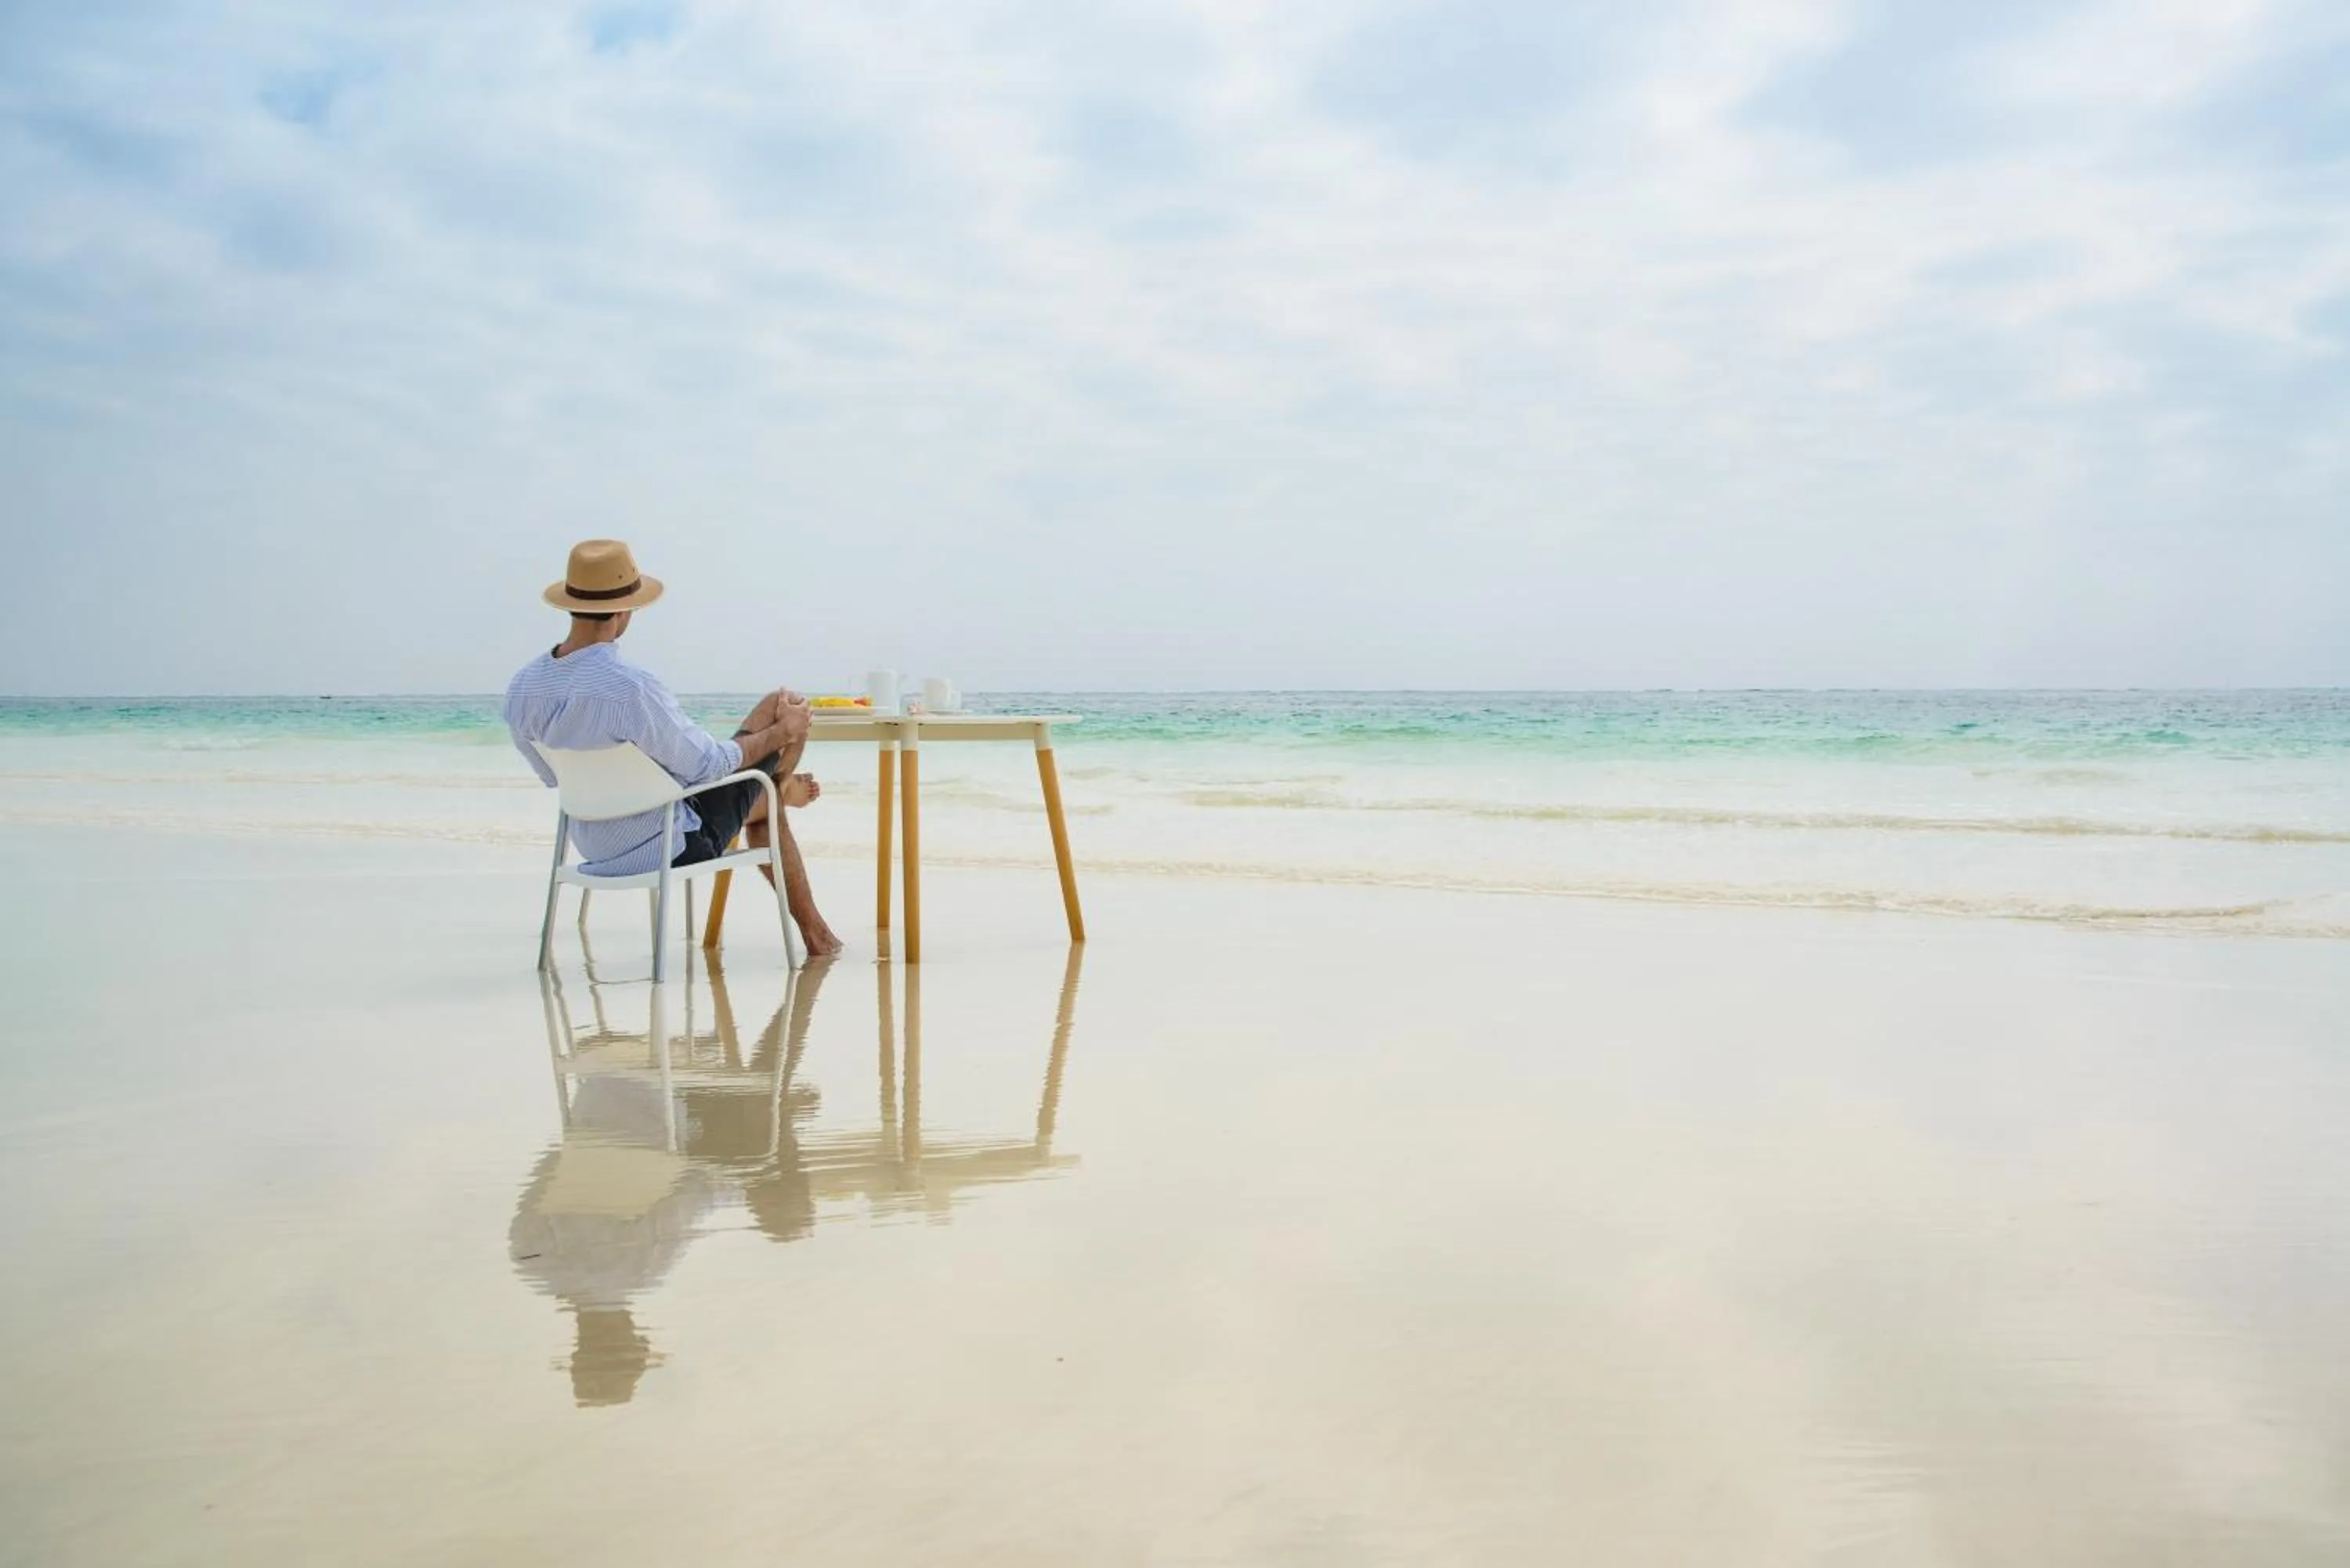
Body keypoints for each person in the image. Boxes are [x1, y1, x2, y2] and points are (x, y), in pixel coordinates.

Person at [504, 538, 841, 957]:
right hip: (671, 846)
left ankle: (775, 794)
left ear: (571, 603)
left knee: (768, 725)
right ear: (628, 608)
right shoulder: (630, 687)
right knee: (784, 711)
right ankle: (781, 806)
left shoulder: (522, 688)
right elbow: (707, 767)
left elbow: (552, 775)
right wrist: (781, 734)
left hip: (594, 850)